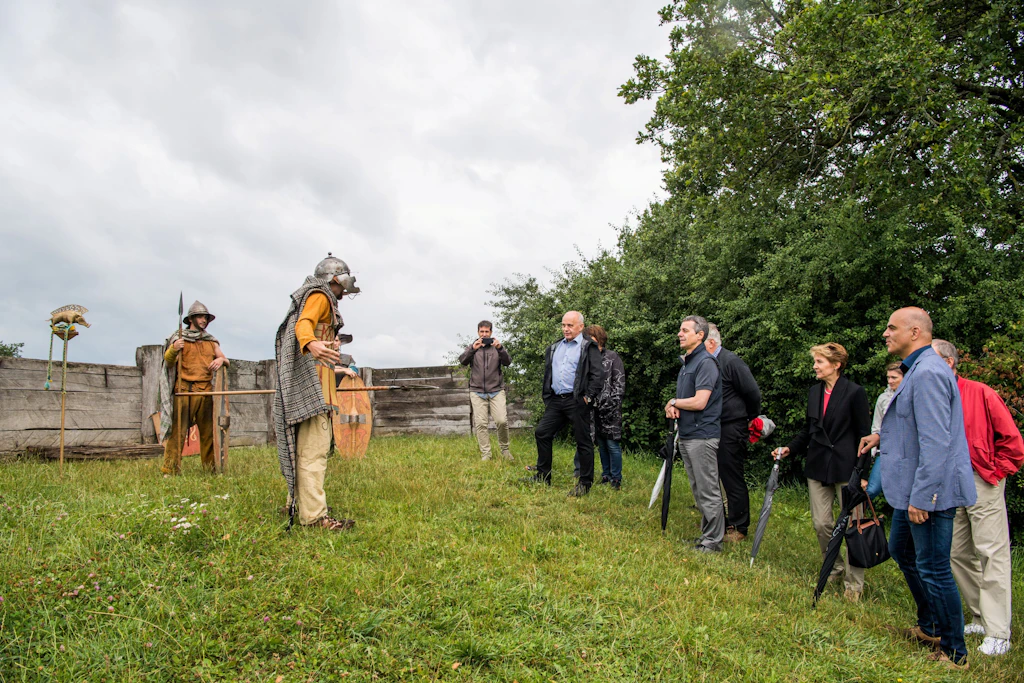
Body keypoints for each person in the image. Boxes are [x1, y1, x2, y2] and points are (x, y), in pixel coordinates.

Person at [858, 307, 976, 670]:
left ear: (914, 332)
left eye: (892, 327)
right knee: (901, 550)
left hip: (929, 493)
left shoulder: (927, 373)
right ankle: (930, 626)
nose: (885, 333)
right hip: (911, 489)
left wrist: (924, 498)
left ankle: (954, 651)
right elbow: (915, 425)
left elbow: (937, 442)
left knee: (934, 567)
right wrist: (882, 435)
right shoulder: (918, 370)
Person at [932, 339, 1023, 657]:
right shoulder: (933, 397)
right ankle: (981, 616)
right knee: (956, 552)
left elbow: (1013, 441)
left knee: (991, 553)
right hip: (948, 483)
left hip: (981, 478)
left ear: (948, 363)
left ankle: (999, 632)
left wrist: (995, 473)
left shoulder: (980, 392)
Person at [775, 342, 870, 602]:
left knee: (853, 527)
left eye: (819, 362)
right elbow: (809, 430)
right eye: (815, 361)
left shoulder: (855, 392)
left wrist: (863, 474)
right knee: (821, 523)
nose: (815, 366)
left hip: (847, 467)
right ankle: (834, 567)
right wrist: (790, 448)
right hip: (818, 464)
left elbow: (865, 436)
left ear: (836, 365)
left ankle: (854, 584)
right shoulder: (814, 392)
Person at [273, 253, 361, 532]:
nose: (344, 292)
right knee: (314, 453)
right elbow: (303, 325)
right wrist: (311, 343)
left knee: (304, 451)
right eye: (343, 284)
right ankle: (314, 516)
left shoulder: (316, 297)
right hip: (315, 390)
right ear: (335, 279)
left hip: (314, 386)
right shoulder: (321, 296)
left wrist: (326, 343)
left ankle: (299, 503)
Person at [526, 311, 603, 497]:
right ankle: (543, 476)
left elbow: (598, 375)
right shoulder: (555, 347)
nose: (566, 329)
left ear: (580, 327)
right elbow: (549, 373)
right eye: (563, 325)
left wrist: (588, 397)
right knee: (542, 432)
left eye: (570, 325)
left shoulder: (588, 347)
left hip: (577, 400)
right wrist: (548, 396)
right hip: (556, 400)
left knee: (583, 441)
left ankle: (585, 484)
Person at [664, 315, 724, 553]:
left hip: (703, 435)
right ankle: (706, 537)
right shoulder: (688, 363)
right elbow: (686, 401)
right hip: (688, 433)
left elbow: (700, 401)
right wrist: (674, 406)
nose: (680, 334)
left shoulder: (706, 362)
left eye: (685, 330)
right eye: (680, 330)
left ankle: (713, 543)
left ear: (700, 335)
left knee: (708, 491)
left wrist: (674, 401)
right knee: (699, 490)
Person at [158, 301, 229, 476]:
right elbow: (168, 362)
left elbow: (225, 360)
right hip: (184, 391)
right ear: (191, 319)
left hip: (205, 391)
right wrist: (174, 349)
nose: (204, 320)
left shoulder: (211, 341)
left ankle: (210, 469)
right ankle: (170, 470)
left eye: (206, 318)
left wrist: (221, 360)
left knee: (208, 434)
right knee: (178, 433)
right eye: (200, 317)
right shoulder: (179, 339)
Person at [704, 324, 761, 541]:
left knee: (731, 476)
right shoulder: (707, 363)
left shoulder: (731, 362)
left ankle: (739, 527)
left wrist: (749, 417)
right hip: (711, 426)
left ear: (711, 342)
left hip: (731, 427)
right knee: (714, 476)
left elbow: (753, 392)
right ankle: (720, 520)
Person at [459, 320, 513, 461]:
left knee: (501, 421)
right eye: (481, 332)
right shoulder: (472, 347)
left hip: (496, 390)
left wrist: (500, 348)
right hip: (477, 391)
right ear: (478, 332)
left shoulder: (497, 347)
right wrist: (472, 348)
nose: (484, 334)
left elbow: (508, 362)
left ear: (491, 332)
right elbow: (462, 361)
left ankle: (505, 450)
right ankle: (486, 454)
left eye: (486, 332)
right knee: (481, 424)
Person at [586, 325, 626, 490]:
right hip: (593, 409)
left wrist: (610, 404)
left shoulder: (612, 357)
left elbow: (619, 383)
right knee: (601, 444)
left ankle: (616, 478)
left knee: (612, 445)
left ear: (599, 339)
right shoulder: (587, 357)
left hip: (611, 410)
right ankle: (606, 475)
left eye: (592, 338)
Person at [864, 362, 904, 498]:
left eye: (894, 377)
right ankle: (856, 511)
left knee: (902, 493)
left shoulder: (913, 396)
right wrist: (872, 454)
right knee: (872, 489)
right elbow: (876, 427)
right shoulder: (883, 398)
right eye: (888, 377)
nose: (890, 381)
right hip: (886, 451)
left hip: (906, 453)